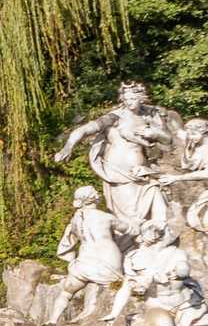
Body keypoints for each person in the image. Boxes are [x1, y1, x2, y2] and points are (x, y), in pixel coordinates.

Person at [54, 82, 172, 237]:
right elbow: (84, 130)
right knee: (131, 218)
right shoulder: (115, 117)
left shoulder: (149, 115)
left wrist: (154, 133)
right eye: (126, 98)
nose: (129, 102)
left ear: (141, 98)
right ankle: (131, 253)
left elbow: (168, 139)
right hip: (120, 175)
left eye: (133, 98)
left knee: (158, 203)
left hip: (143, 173)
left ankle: (155, 247)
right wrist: (68, 147)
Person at [51, 186, 123, 324]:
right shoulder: (106, 217)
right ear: (93, 197)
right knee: (123, 285)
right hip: (107, 262)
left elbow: (70, 238)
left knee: (66, 292)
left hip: (84, 262)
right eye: (96, 192)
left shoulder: (76, 220)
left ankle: (52, 320)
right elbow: (128, 229)